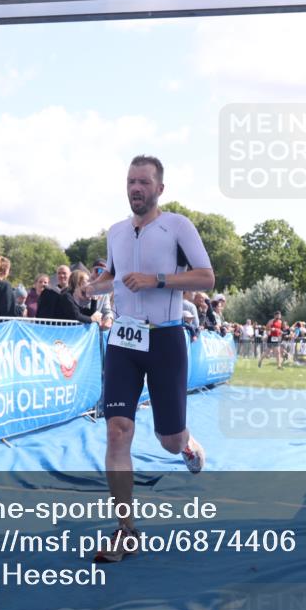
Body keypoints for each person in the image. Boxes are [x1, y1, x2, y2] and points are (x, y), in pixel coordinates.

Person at [80, 154, 214, 562]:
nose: (136, 188)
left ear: (159, 188)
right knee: (118, 430)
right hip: (124, 339)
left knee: (168, 441)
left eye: (144, 182)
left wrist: (158, 280)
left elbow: (206, 277)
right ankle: (126, 530)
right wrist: (90, 289)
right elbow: (114, 277)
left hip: (166, 339)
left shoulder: (177, 226)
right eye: (131, 181)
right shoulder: (116, 231)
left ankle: (188, 444)